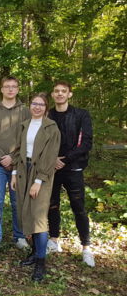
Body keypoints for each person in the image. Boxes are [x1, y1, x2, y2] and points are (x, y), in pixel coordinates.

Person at [11, 93, 61, 281]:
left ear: (46, 108)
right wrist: (15, 173)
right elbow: (17, 150)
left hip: (42, 173)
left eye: (41, 104)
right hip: (24, 170)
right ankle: (34, 253)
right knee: (26, 212)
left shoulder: (51, 128)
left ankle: (41, 262)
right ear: (30, 106)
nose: (37, 107)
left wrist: (38, 181)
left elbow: (50, 156)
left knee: (39, 216)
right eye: (34, 104)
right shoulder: (24, 125)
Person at [47, 81, 95, 267]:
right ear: (52, 95)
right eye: (56, 91)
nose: (60, 94)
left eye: (63, 91)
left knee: (78, 207)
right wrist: (52, 160)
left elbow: (86, 143)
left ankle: (86, 248)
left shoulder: (81, 115)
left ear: (69, 94)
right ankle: (53, 240)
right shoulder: (48, 115)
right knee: (52, 205)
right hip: (51, 168)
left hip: (73, 167)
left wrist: (64, 159)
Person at [0, 76, 30, 249]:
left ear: (18, 89)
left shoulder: (25, 111)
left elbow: (27, 137)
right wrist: (2, 158)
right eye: (7, 86)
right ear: (1, 89)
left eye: (14, 86)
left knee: (18, 200)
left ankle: (19, 236)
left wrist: (13, 157)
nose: (10, 89)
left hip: (19, 164)